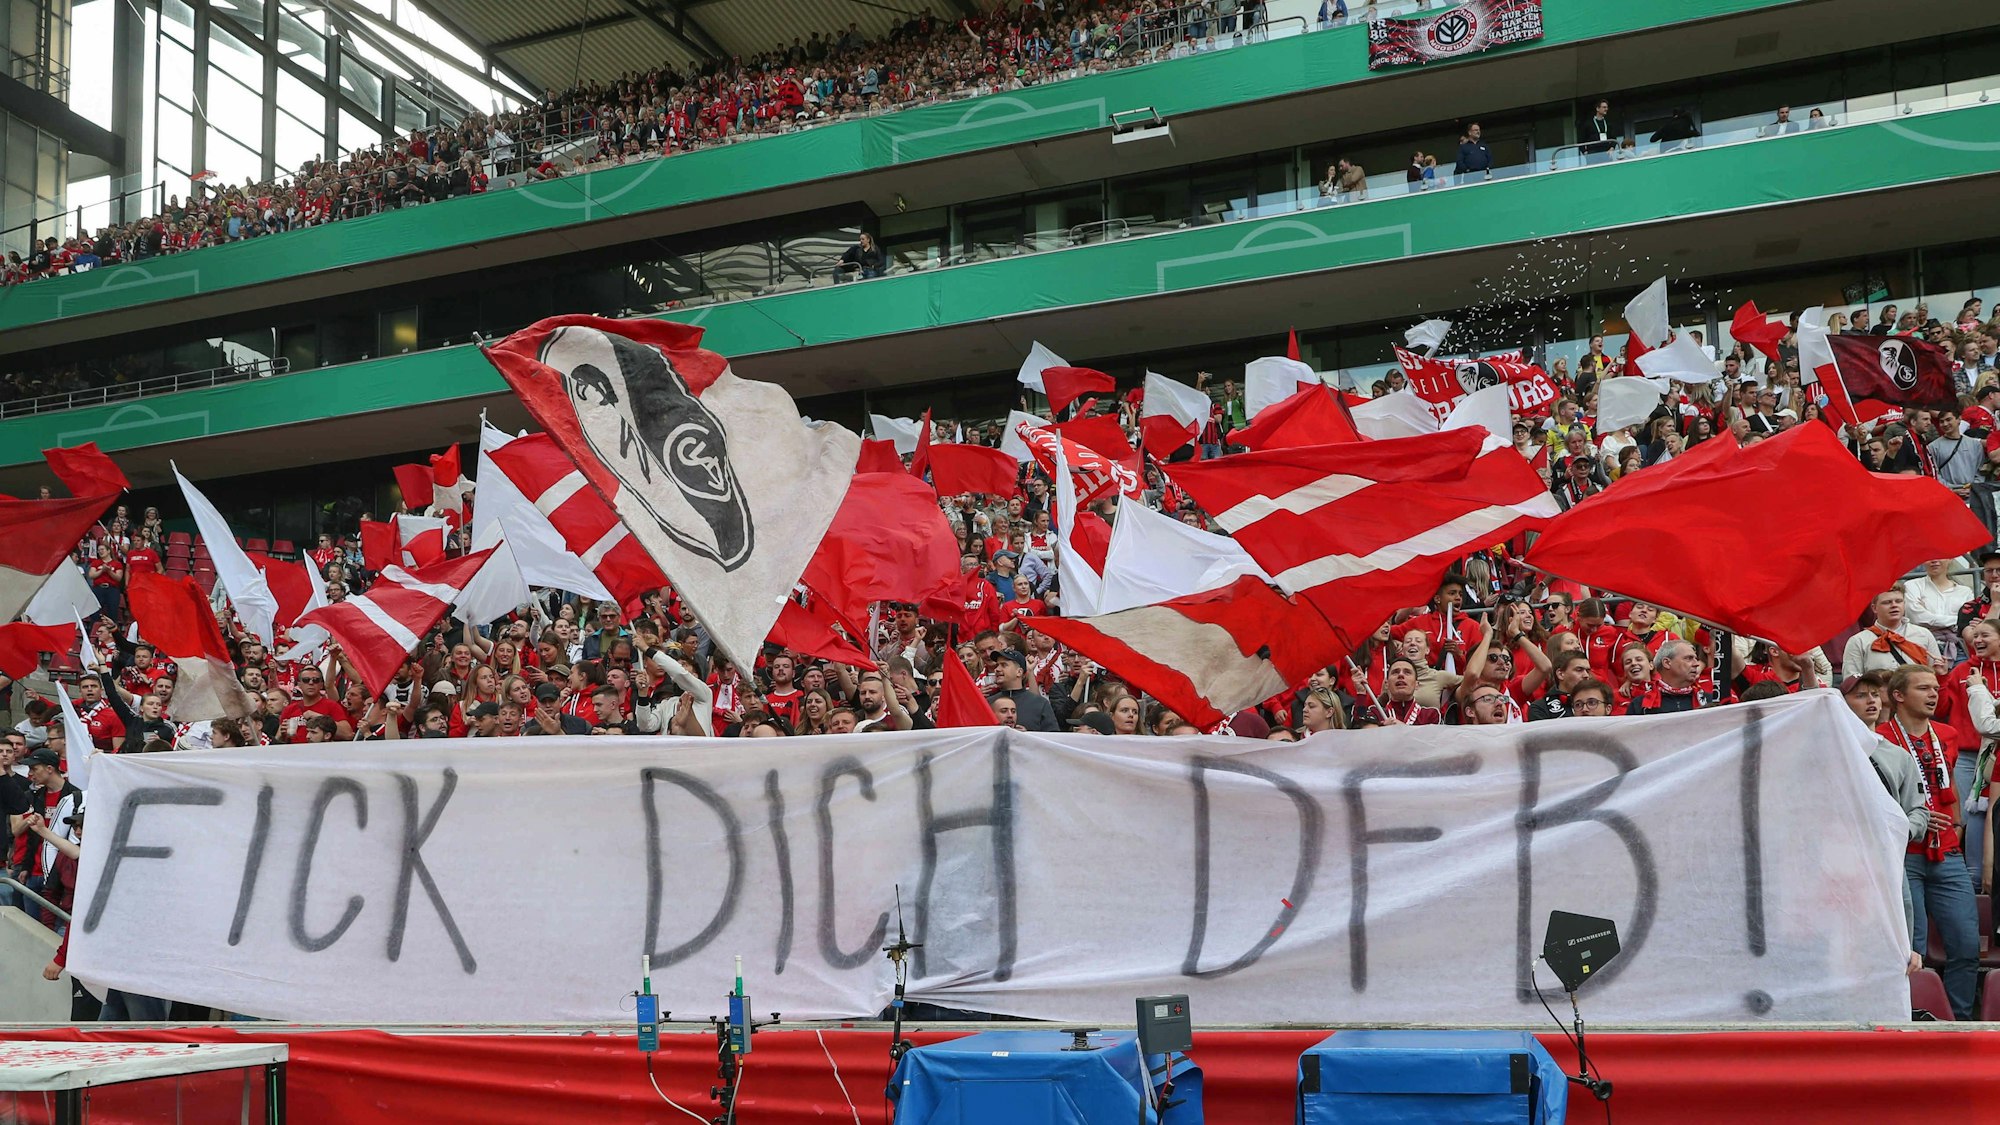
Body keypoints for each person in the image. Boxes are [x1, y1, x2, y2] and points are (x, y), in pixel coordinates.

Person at [1879, 665, 1978, 1019]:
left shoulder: (1948, 733)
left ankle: (1959, 1023)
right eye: (1923, 688)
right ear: (1898, 696)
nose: (1934, 694)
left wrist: (1955, 825)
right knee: (1913, 950)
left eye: (1935, 688)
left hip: (1947, 852)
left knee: (1966, 947)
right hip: (1905, 855)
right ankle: (1912, 1019)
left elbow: (1948, 779)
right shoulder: (1880, 738)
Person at [1842, 585, 1942, 676]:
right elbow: (1851, 681)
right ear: (1874, 608)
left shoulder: (1924, 634)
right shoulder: (1858, 641)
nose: (1894, 605)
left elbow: (1935, 675)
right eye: (1887, 602)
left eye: (1898, 601)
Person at [986, 649, 1058, 731]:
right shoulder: (988, 703)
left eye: (1004, 665)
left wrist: (1027, 736)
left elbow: (1053, 738)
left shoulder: (1040, 703)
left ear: (1019, 672)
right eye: (997, 665)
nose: (997, 669)